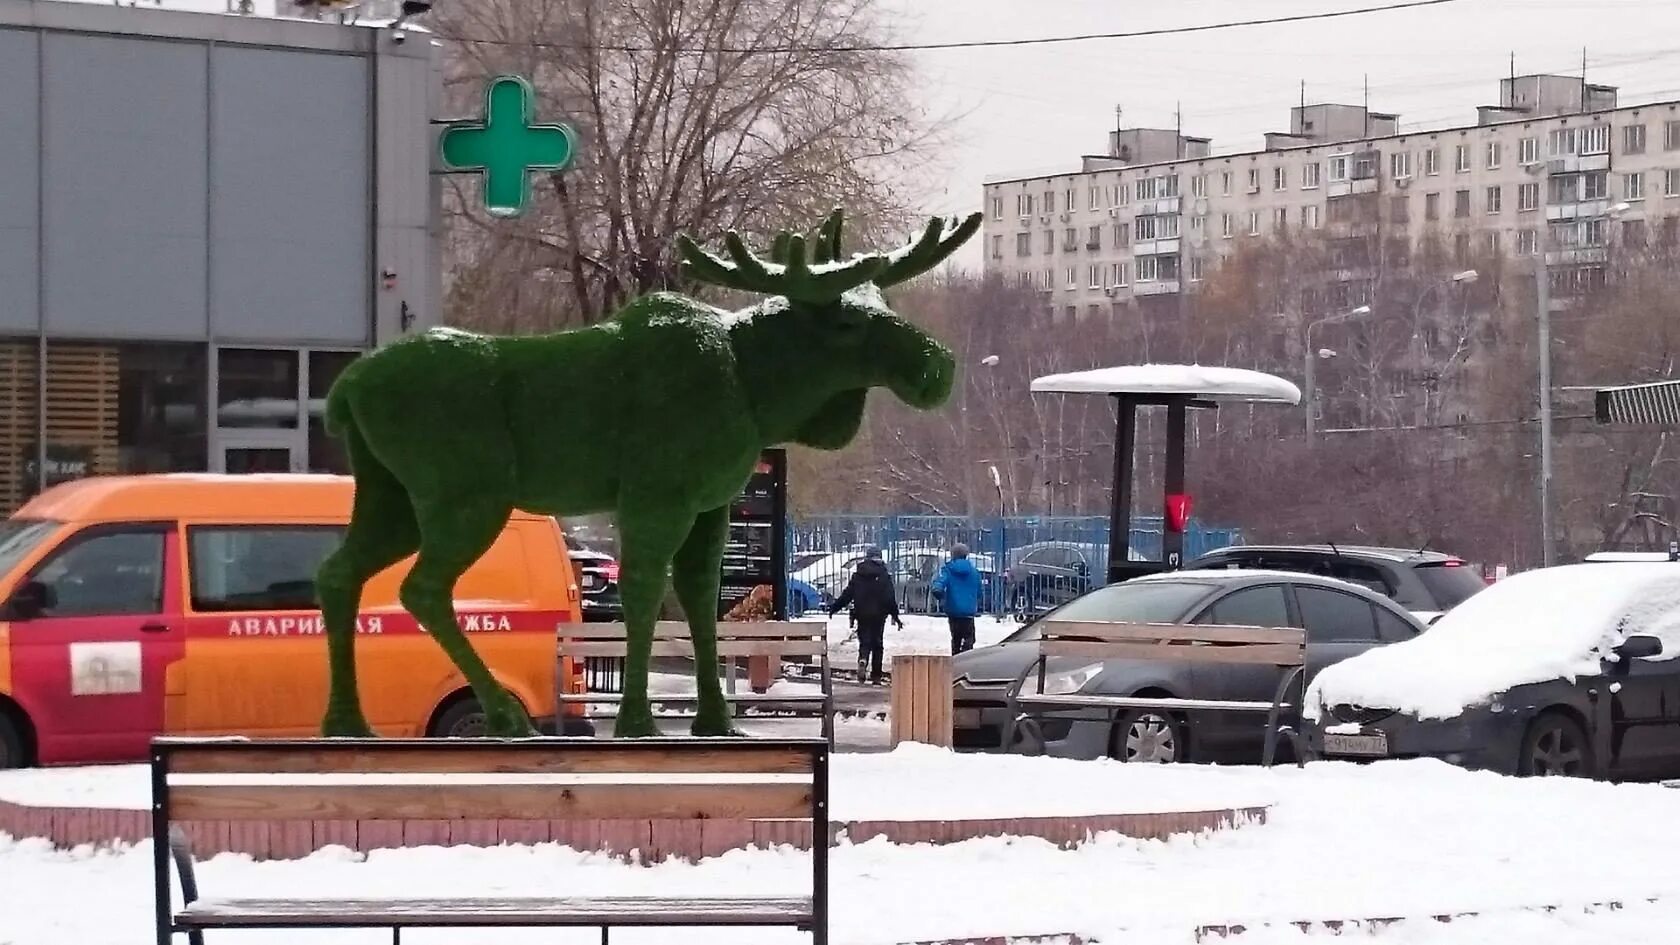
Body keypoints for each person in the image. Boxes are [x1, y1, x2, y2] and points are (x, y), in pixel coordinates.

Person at [828, 547, 902, 684]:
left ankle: (863, 659)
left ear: (867, 558)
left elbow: (848, 594)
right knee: (878, 644)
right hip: (880, 615)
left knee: (865, 641)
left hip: (861, 613)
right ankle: (876, 676)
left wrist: (835, 607)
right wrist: (895, 616)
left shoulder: (858, 575)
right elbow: (889, 598)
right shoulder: (884, 575)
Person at [931, 542, 982, 655]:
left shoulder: (948, 570)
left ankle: (956, 659)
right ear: (966, 555)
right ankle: (966, 654)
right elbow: (979, 591)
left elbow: (938, 586)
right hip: (968, 611)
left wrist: (940, 596)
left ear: (953, 555)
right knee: (970, 638)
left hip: (953, 610)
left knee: (956, 639)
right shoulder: (974, 572)